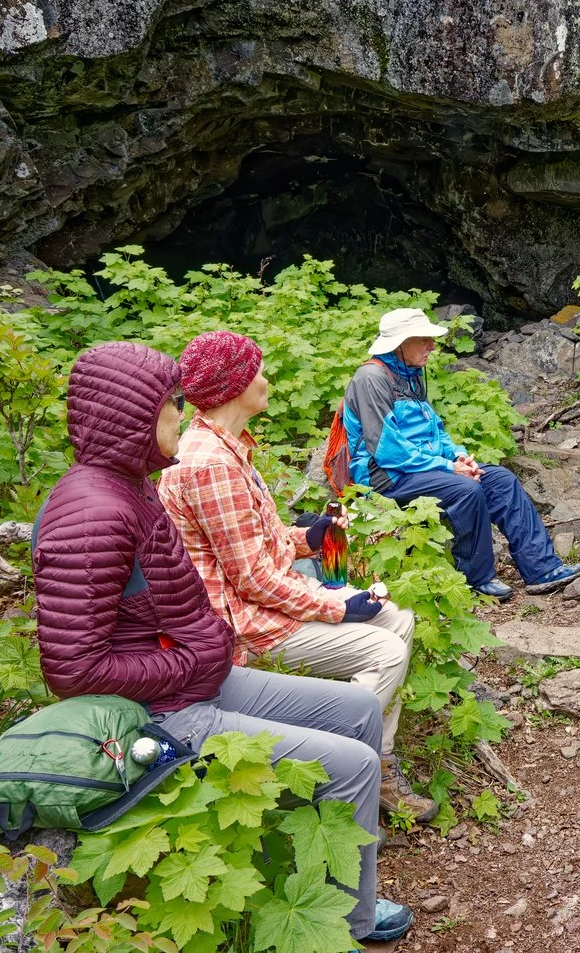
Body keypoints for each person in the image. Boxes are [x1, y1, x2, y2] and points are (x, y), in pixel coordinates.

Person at [33, 341, 413, 947]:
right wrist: (189, 661)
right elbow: (73, 668)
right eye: (170, 407)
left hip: (198, 678)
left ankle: (336, 882)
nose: (181, 418)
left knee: (361, 710)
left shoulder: (131, 488)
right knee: (355, 765)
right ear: (133, 416)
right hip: (160, 715)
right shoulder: (93, 513)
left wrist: (199, 655)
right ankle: (342, 926)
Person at [158, 331, 437, 823]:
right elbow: (253, 581)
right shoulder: (209, 465)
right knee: (386, 648)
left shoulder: (225, 447)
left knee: (397, 619)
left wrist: (311, 537)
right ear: (235, 385)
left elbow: (256, 545)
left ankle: (378, 762)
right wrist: (339, 608)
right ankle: (337, 768)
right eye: (257, 372)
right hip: (237, 622)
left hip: (254, 601)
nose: (266, 380)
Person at [336, 308, 580, 601]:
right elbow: (387, 450)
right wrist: (447, 467)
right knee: (466, 489)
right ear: (399, 343)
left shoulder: (411, 374)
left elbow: (434, 429)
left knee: (500, 479)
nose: (432, 346)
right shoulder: (371, 379)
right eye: (424, 339)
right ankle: (477, 577)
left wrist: (457, 456)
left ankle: (542, 569)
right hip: (385, 477)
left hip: (420, 469)